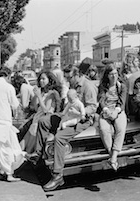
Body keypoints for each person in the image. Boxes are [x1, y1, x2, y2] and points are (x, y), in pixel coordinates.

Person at [26, 64, 98, 192]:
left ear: (77, 75)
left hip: (82, 119)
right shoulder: (74, 85)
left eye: (69, 78)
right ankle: (38, 154)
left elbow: (92, 107)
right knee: (43, 121)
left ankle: (57, 175)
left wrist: (76, 112)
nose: (68, 81)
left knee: (59, 138)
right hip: (67, 115)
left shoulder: (88, 86)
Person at [19, 70, 62, 154]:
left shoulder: (52, 94)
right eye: (40, 79)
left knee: (28, 148)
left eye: (43, 79)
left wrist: (38, 96)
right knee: (22, 146)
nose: (41, 81)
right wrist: (36, 96)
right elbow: (35, 108)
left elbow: (46, 109)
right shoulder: (42, 92)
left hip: (42, 122)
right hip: (35, 120)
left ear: (49, 80)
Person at [98, 61, 127, 171]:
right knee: (104, 130)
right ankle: (113, 156)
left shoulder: (121, 86)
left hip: (118, 110)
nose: (114, 76)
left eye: (115, 73)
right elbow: (101, 100)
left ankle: (113, 158)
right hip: (106, 110)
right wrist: (106, 110)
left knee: (120, 128)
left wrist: (116, 111)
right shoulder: (102, 86)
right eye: (111, 74)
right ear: (107, 76)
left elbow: (122, 101)